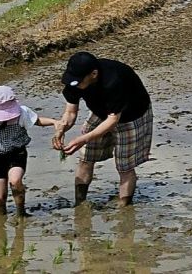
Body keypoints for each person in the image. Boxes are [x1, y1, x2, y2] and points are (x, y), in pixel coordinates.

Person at [52, 51, 153, 207]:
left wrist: (84, 138)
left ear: (93, 74)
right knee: (86, 158)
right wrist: (61, 130)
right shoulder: (75, 81)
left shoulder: (113, 80)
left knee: (124, 166)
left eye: (79, 81)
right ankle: (80, 203)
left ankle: (124, 207)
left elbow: (113, 120)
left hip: (131, 115)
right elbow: (71, 112)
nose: (76, 85)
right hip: (101, 112)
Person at [0, 85, 60, 216]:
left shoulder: (22, 113)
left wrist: (54, 122)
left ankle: (21, 211)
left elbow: (38, 121)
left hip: (17, 153)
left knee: (15, 181)